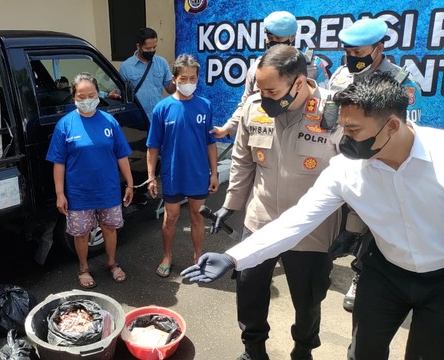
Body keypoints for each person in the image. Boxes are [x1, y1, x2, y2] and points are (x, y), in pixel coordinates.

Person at [182, 73, 444, 360]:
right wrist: (234, 257)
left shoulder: (439, 155)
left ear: (392, 125)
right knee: (363, 353)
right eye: (343, 128)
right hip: (385, 272)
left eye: (353, 131)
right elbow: (298, 219)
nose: (345, 140)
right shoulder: (346, 170)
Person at [211, 45, 342, 360]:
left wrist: (351, 228)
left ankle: (303, 349)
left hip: (313, 228)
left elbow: (353, 173)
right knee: (250, 290)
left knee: (308, 298)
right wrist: (232, 203)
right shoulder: (255, 107)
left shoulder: (333, 112)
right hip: (261, 219)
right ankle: (253, 349)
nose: (264, 97)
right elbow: (243, 161)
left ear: (298, 82)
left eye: (272, 90)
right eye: (260, 89)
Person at [328, 17, 425, 312]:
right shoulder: (341, 74)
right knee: (339, 223)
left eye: (359, 52)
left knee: (375, 225)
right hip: (342, 157)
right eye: (348, 51)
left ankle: (361, 275)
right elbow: (330, 111)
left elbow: (409, 128)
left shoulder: (399, 82)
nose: (352, 58)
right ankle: (326, 263)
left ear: (379, 48)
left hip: (378, 163)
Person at [46, 72, 134, 289]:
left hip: (108, 190)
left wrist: (130, 183)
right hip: (78, 192)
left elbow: (121, 155)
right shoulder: (65, 125)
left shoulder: (109, 122)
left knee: (110, 228)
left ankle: (112, 264)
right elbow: (59, 163)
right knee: (81, 233)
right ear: (74, 96)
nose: (87, 100)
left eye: (91, 95)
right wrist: (60, 193)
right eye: (81, 96)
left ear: (98, 94)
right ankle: (83, 268)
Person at [146, 54, 219, 278]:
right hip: (172, 174)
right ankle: (167, 256)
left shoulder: (204, 105)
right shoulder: (162, 108)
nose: (189, 83)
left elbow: (210, 142)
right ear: (175, 79)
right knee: (171, 217)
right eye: (184, 78)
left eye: (193, 78)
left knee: (198, 216)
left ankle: (198, 257)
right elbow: (153, 146)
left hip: (198, 173)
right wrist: (151, 176)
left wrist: (214, 173)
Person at [211, 10, 331, 140]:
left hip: (302, 135)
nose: (273, 42)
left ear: (292, 36)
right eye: (270, 38)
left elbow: (327, 103)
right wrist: (227, 128)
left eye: (279, 38)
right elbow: (246, 104)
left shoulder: (313, 66)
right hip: (266, 134)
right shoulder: (259, 67)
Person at [119, 27, 176, 121]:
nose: (152, 50)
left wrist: (176, 80)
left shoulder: (162, 63)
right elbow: (121, 95)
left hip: (158, 117)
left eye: (154, 47)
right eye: (148, 48)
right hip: (137, 120)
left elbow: (170, 90)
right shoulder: (126, 67)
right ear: (138, 46)